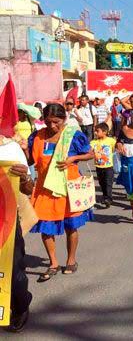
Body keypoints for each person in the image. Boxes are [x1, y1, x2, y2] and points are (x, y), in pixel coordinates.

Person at [28, 104, 95, 281]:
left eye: (56, 122)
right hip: (45, 189)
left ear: (64, 119)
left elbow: (90, 154)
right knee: (45, 227)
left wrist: (74, 158)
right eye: (48, 122)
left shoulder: (73, 136)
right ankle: (53, 263)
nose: (52, 126)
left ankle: (71, 259)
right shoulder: (37, 136)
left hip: (68, 188)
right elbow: (29, 159)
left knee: (71, 225)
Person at [0, 135, 34, 332]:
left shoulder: (11, 148)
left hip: (7, 222)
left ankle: (21, 306)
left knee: (13, 272)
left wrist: (24, 177)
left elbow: (28, 188)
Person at [90, 123, 116, 209]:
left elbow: (114, 149)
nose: (95, 133)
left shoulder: (111, 141)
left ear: (105, 132)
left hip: (108, 167)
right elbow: (90, 150)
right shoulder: (93, 142)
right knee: (102, 183)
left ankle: (108, 198)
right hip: (99, 167)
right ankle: (105, 197)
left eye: (98, 131)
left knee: (108, 183)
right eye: (95, 131)